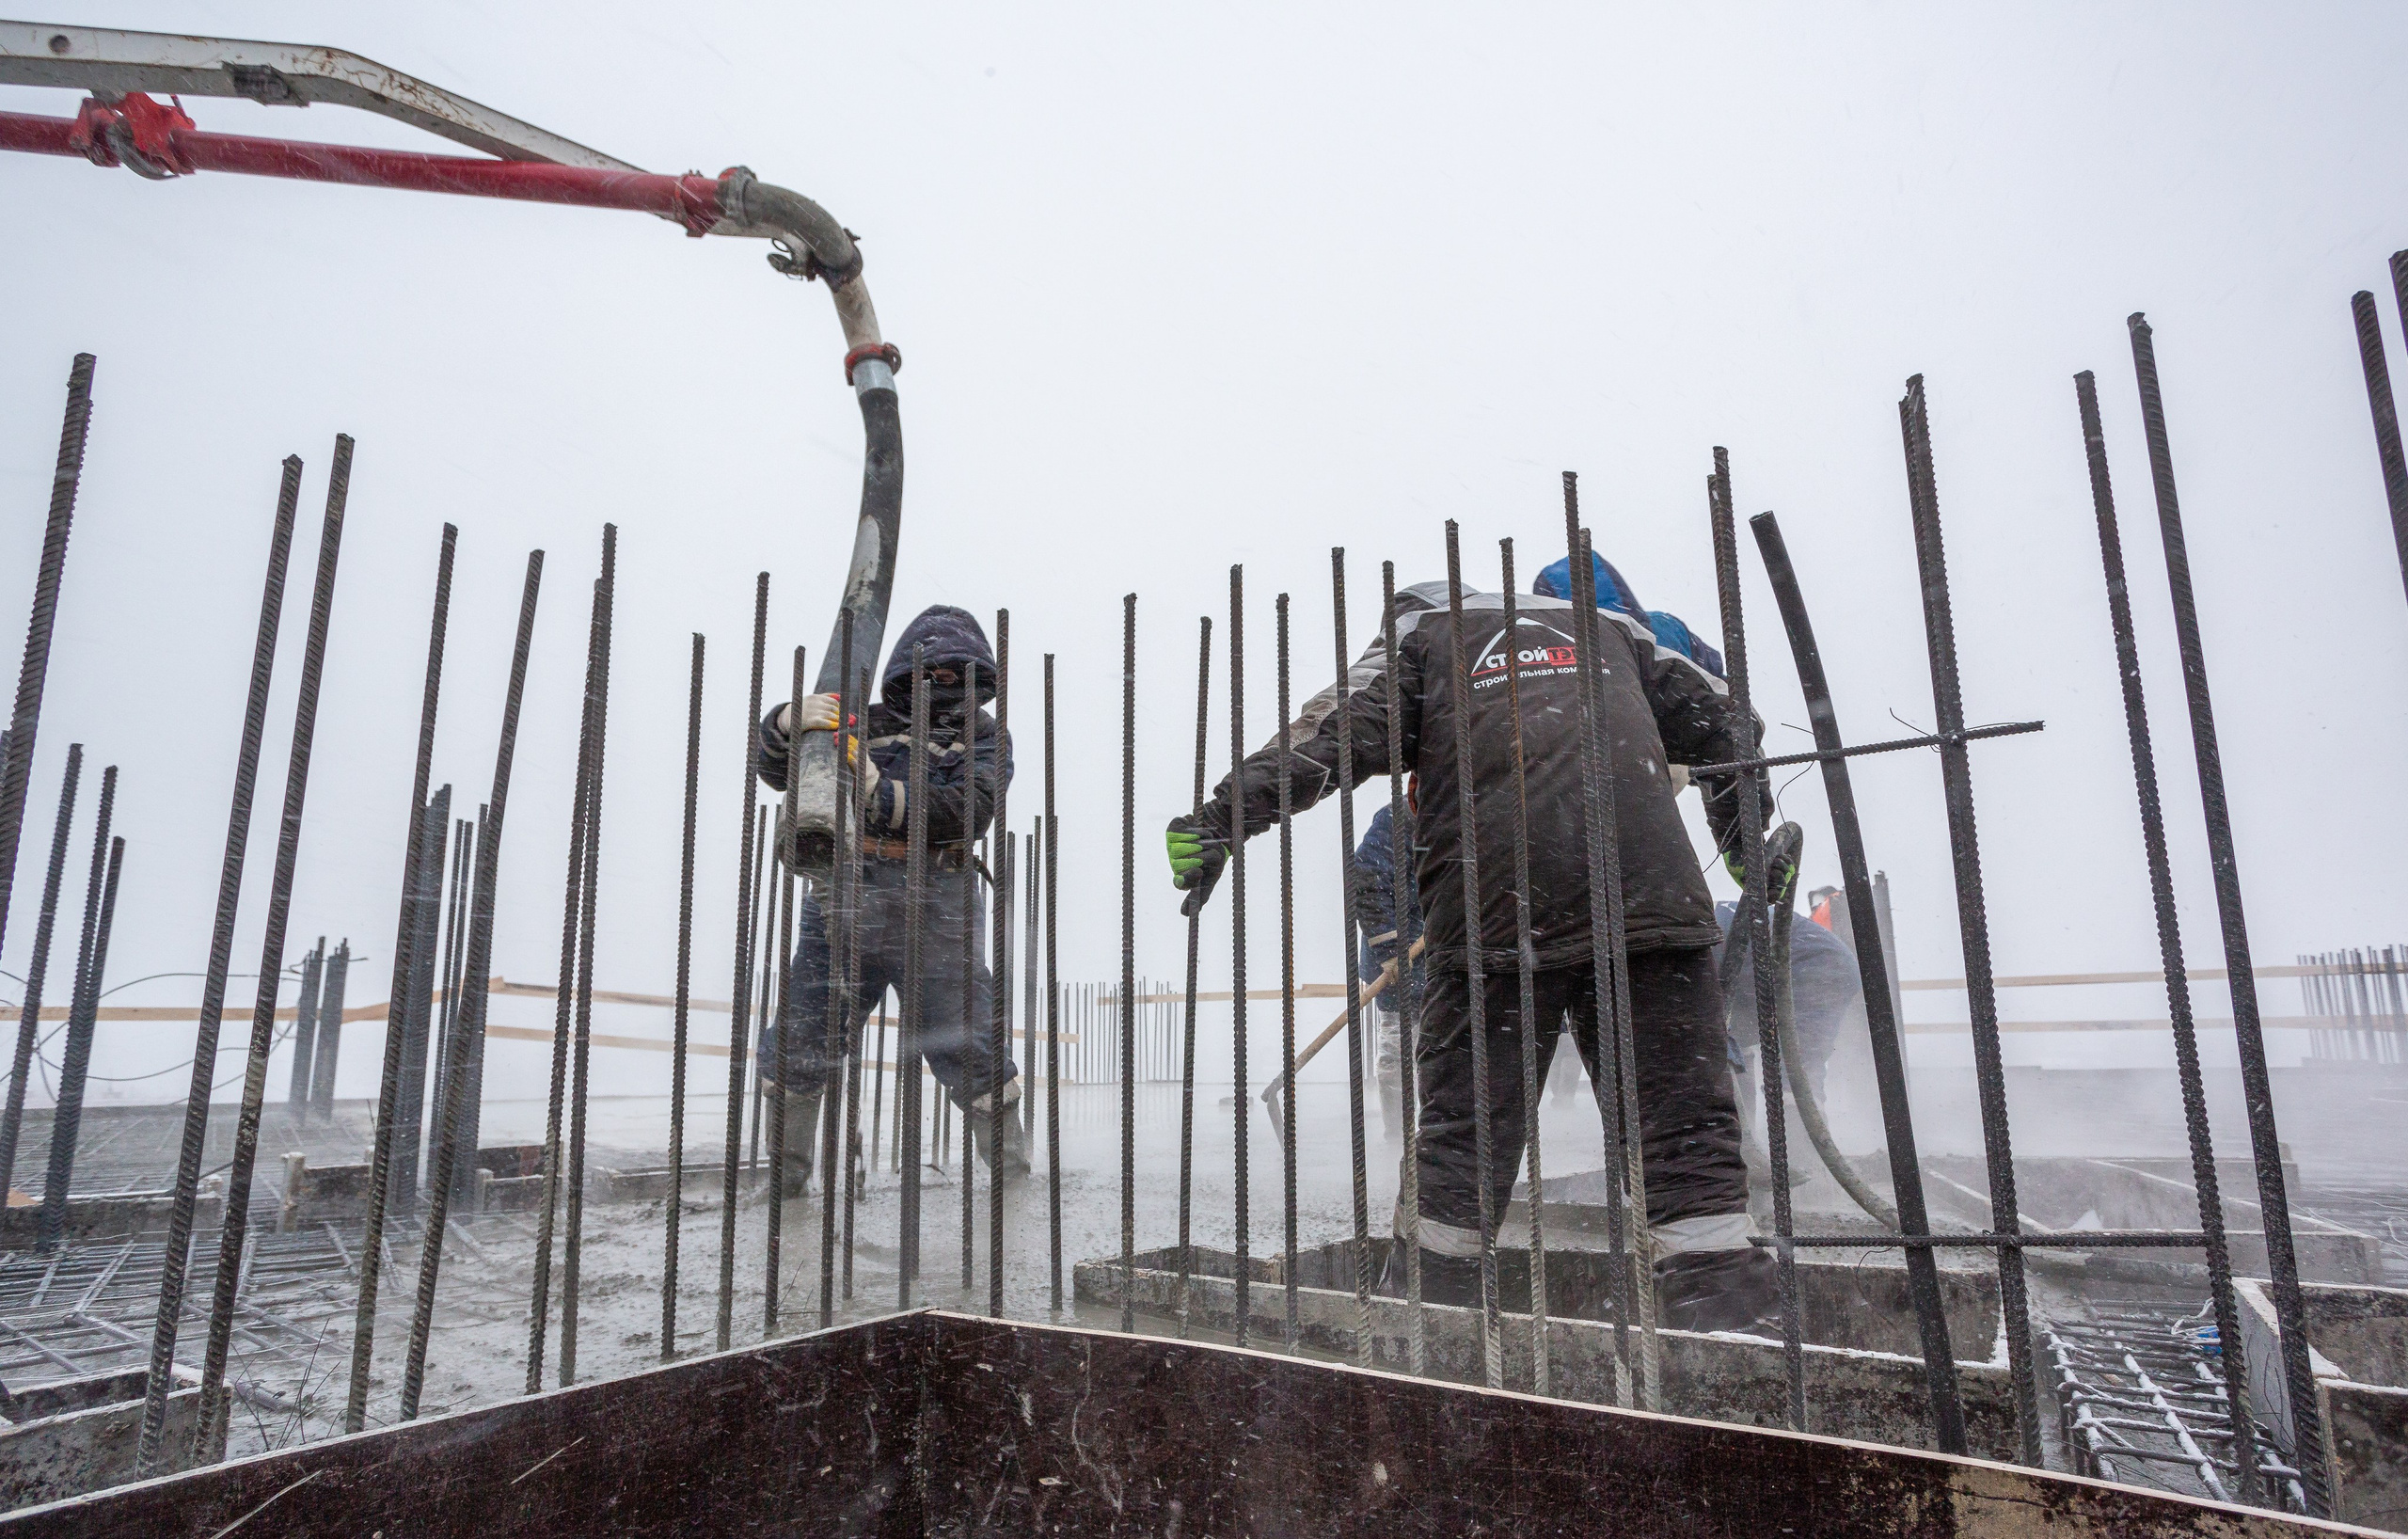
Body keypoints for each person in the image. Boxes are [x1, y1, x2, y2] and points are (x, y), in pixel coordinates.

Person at [1165, 576, 1783, 1331]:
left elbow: (1328, 741)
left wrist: (1221, 817)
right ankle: (1725, 1344)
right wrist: (1742, 843)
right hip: (1650, 900)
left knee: (1467, 1138)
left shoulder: (1421, 635)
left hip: (1498, 913)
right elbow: (1731, 721)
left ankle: (1433, 1337)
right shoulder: (1615, 629)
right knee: (1685, 1137)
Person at [756, 605, 1029, 1196]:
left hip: (938, 903)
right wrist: (784, 725)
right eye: (933, 672)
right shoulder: (862, 719)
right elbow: (785, 775)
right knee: (803, 1036)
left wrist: (882, 792)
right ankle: (783, 1184)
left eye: (960, 674)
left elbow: (969, 811)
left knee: (970, 1041)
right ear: (907, 669)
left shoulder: (985, 737)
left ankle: (1013, 1185)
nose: (945, 685)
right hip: (846, 897)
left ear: (980, 676)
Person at [1352, 801, 1423, 1139]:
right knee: (1396, 1053)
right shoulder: (1400, 819)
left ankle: (1438, 1134)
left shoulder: (1470, 810)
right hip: (1400, 963)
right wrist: (1389, 948)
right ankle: (1398, 1133)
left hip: (1448, 960)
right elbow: (1368, 880)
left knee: (1446, 1054)